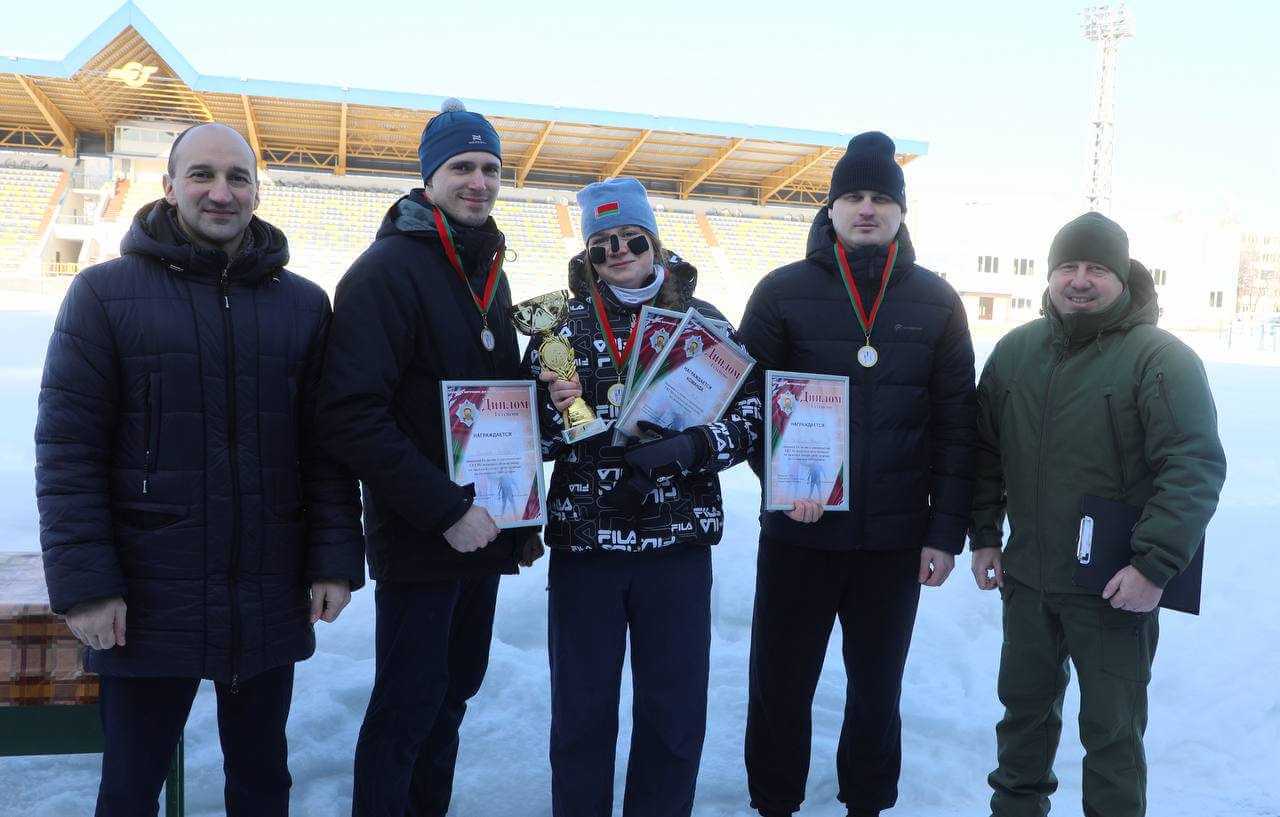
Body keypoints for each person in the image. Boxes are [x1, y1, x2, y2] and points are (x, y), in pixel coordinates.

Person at [35, 122, 364, 817]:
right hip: (149, 598)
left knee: (262, 781)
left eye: (237, 177)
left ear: (256, 190)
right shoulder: (104, 295)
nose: (221, 192)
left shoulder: (303, 305)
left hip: (266, 589)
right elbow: (68, 452)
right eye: (203, 175)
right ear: (170, 187)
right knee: (131, 786)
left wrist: (334, 559)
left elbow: (326, 451)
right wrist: (88, 586)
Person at [736, 131, 977, 817]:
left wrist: (945, 533)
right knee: (780, 684)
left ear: (901, 210)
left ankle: (867, 803)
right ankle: (774, 802)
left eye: (880, 197)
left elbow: (957, 425)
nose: (866, 208)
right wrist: (785, 481)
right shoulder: (782, 291)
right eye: (852, 196)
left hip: (894, 542)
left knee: (877, 689)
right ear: (831, 208)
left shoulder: (937, 301)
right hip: (798, 536)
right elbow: (745, 404)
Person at [315, 99, 542, 817]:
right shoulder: (387, 271)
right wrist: (447, 509)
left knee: (453, 697)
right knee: (408, 707)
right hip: (426, 532)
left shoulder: (488, 269)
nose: (478, 181)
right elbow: (349, 413)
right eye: (461, 167)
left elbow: (490, 401)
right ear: (429, 177)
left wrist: (515, 512)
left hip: (483, 528)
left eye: (490, 168)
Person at [969, 212, 1226, 817]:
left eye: (1097, 269)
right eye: (1068, 267)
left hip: (1115, 588)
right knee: (1022, 723)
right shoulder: (1014, 353)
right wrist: (984, 535)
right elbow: (984, 454)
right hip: (1029, 581)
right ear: (1051, 274)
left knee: (1112, 736)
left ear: (1122, 278)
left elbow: (1193, 466)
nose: (1079, 280)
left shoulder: (1160, 358)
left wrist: (1154, 566)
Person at [526, 176, 761, 817]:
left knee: (674, 712)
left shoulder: (704, 324)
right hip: (587, 545)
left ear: (654, 242)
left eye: (630, 239)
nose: (618, 254)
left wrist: (692, 449)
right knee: (580, 714)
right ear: (587, 258)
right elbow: (525, 438)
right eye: (601, 246)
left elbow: (754, 418)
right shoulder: (558, 328)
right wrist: (554, 415)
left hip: (677, 546)